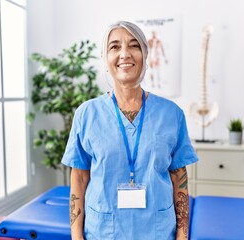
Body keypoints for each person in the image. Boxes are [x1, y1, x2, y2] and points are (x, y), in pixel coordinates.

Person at [62, 21, 198, 240]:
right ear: (105, 59)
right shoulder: (86, 114)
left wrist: (182, 237)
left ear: (144, 55)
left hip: (157, 231)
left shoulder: (172, 114)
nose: (124, 54)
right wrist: (76, 237)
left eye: (134, 46)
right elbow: (78, 178)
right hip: (103, 232)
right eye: (114, 47)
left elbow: (179, 179)